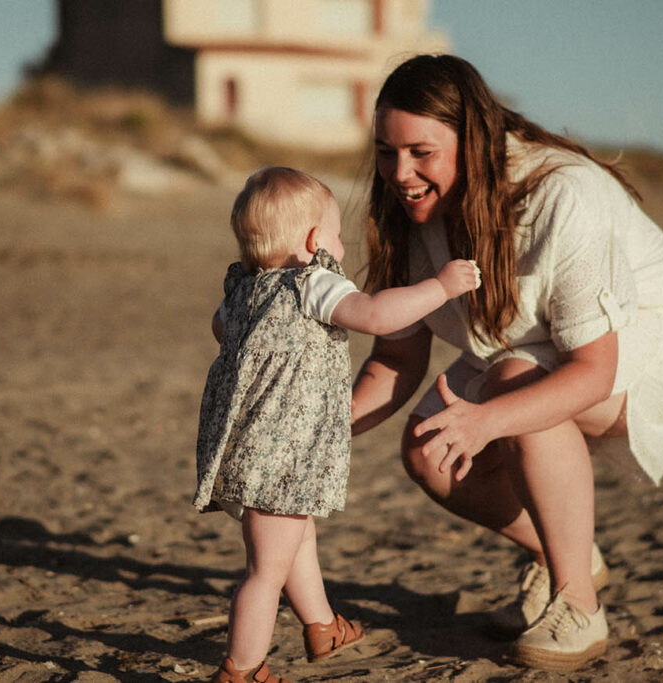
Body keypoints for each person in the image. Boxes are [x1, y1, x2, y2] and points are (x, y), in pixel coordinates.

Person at [350, 55, 663, 672]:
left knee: (511, 389)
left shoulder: (559, 193)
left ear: (472, 140)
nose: (400, 173)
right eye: (386, 152)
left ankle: (578, 604)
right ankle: (568, 554)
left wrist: (487, 421)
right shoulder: (402, 205)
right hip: (526, 347)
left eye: (421, 152)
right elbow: (396, 355)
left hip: (656, 330)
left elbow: (593, 371)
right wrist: (327, 426)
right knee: (427, 445)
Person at [195, 166, 481, 683]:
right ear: (313, 240)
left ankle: (323, 626)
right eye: (336, 234)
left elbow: (222, 332)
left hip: (244, 450)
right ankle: (241, 670)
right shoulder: (312, 284)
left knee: (296, 535)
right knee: (265, 573)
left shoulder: (242, 292)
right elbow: (374, 315)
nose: (340, 245)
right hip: (281, 456)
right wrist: (439, 287)